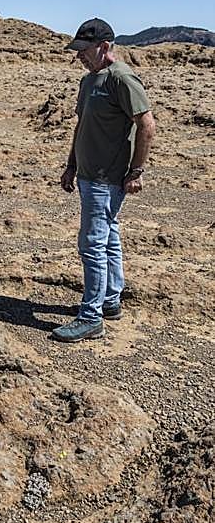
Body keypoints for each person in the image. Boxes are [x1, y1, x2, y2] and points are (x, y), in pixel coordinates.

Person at [52, 18, 156, 342]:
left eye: (84, 50)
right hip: (86, 175)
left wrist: (136, 171)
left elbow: (147, 125)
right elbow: (81, 127)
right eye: (77, 50)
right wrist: (71, 165)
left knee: (91, 244)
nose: (79, 56)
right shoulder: (88, 81)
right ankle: (110, 300)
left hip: (105, 178)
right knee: (108, 236)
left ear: (104, 47)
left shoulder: (122, 78)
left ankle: (91, 316)